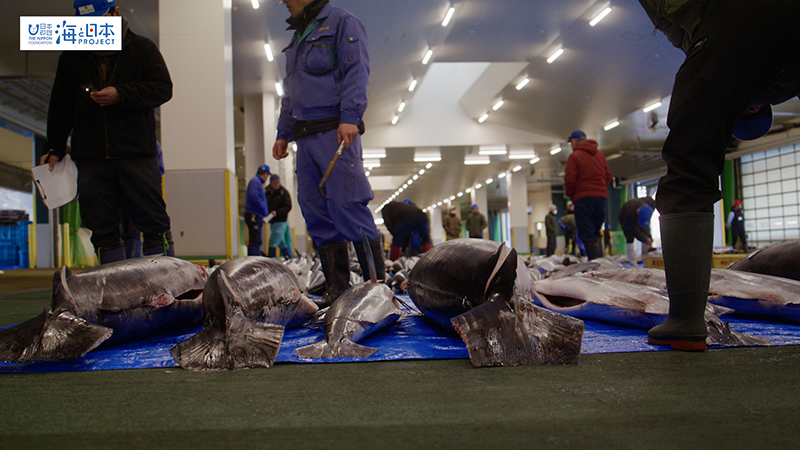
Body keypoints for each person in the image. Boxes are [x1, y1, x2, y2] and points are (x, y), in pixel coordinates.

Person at [636, 0, 800, 351]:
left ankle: (686, 321)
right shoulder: (776, 79)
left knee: (689, 164)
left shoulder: (739, 43)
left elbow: (675, 19)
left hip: (737, 18)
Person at [40, 0, 174, 264]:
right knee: (102, 226)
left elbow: (163, 88)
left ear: (116, 12)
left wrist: (121, 94)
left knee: (153, 221)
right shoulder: (72, 58)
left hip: (136, 154)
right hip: (92, 158)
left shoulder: (142, 49)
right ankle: (114, 283)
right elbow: (60, 106)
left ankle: (169, 280)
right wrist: (54, 146)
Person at [272, 0, 384, 307]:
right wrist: (283, 132)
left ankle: (377, 290)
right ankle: (337, 289)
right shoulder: (298, 36)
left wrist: (350, 116)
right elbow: (290, 91)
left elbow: (356, 71)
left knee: (348, 205)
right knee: (315, 211)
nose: (284, 1)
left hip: (335, 132)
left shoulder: (342, 22)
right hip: (304, 137)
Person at [564, 130, 612, 260]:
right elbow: (608, 175)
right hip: (601, 198)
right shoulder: (600, 154)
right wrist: (600, 189)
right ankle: (602, 263)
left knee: (586, 232)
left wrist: (570, 194)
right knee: (597, 231)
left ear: (574, 141)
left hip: (583, 198)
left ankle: (595, 265)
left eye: (571, 143)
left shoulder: (575, 156)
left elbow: (570, 179)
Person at [618, 197, 656, 267]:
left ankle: (646, 262)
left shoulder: (651, 204)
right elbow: (632, 230)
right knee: (630, 238)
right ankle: (633, 264)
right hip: (624, 220)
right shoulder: (629, 212)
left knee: (647, 234)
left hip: (640, 216)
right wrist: (644, 239)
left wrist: (648, 238)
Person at [265, 174, 294, 259]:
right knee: (281, 241)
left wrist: (277, 212)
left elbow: (288, 206)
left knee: (274, 239)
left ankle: (271, 257)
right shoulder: (268, 192)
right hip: (272, 220)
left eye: (277, 182)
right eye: (274, 183)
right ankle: (289, 257)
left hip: (281, 220)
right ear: (271, 183)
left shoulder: (283, 193)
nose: (276, 184)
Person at [244, 165, 270, 256]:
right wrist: (263, 207)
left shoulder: (258, 183)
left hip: (257, 215)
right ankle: (253, 260)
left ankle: (256, 258)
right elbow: (253, 197)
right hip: (254, 214)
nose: (267, 177)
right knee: (254, 240)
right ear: (264, 174)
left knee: (257, 240)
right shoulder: (255, 182)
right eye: (267, 175)